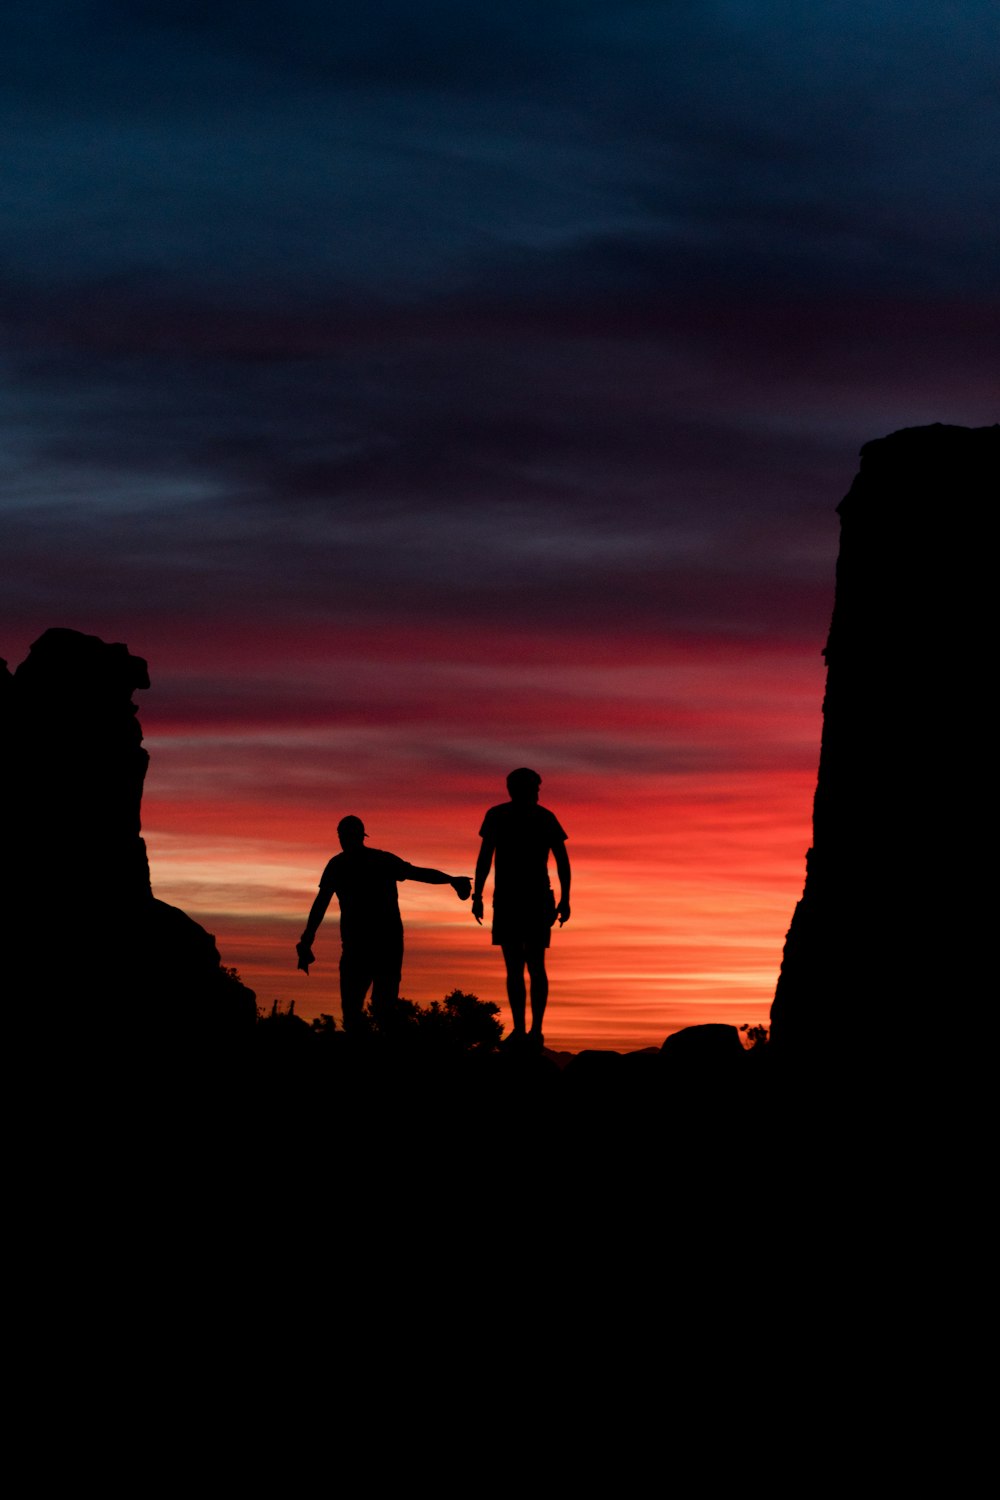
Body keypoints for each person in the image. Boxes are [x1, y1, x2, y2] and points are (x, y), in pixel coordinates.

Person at [296, 815, 471, 1034]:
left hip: (375, 945)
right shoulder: (353, 864)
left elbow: (417, 873)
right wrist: (451, 880)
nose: (344, 840)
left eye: (345, 836)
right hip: (369, 944)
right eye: (343, 836)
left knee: (370, 1009)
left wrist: (451, 880)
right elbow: (320, 904)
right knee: (367, 1009)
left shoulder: (351, 864)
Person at [472, 768, 570, 1049]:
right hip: (516, 899)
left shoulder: (538, 817)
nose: (538, 793)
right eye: (535, 788)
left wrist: (566, 899)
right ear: (521, 789)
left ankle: (533, 1030)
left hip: (528, 899)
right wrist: (477, 894)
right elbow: (485, 858)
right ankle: (524, 1029)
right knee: (522, 966)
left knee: (526, 966)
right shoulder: (508, 816)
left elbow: (562, 860)